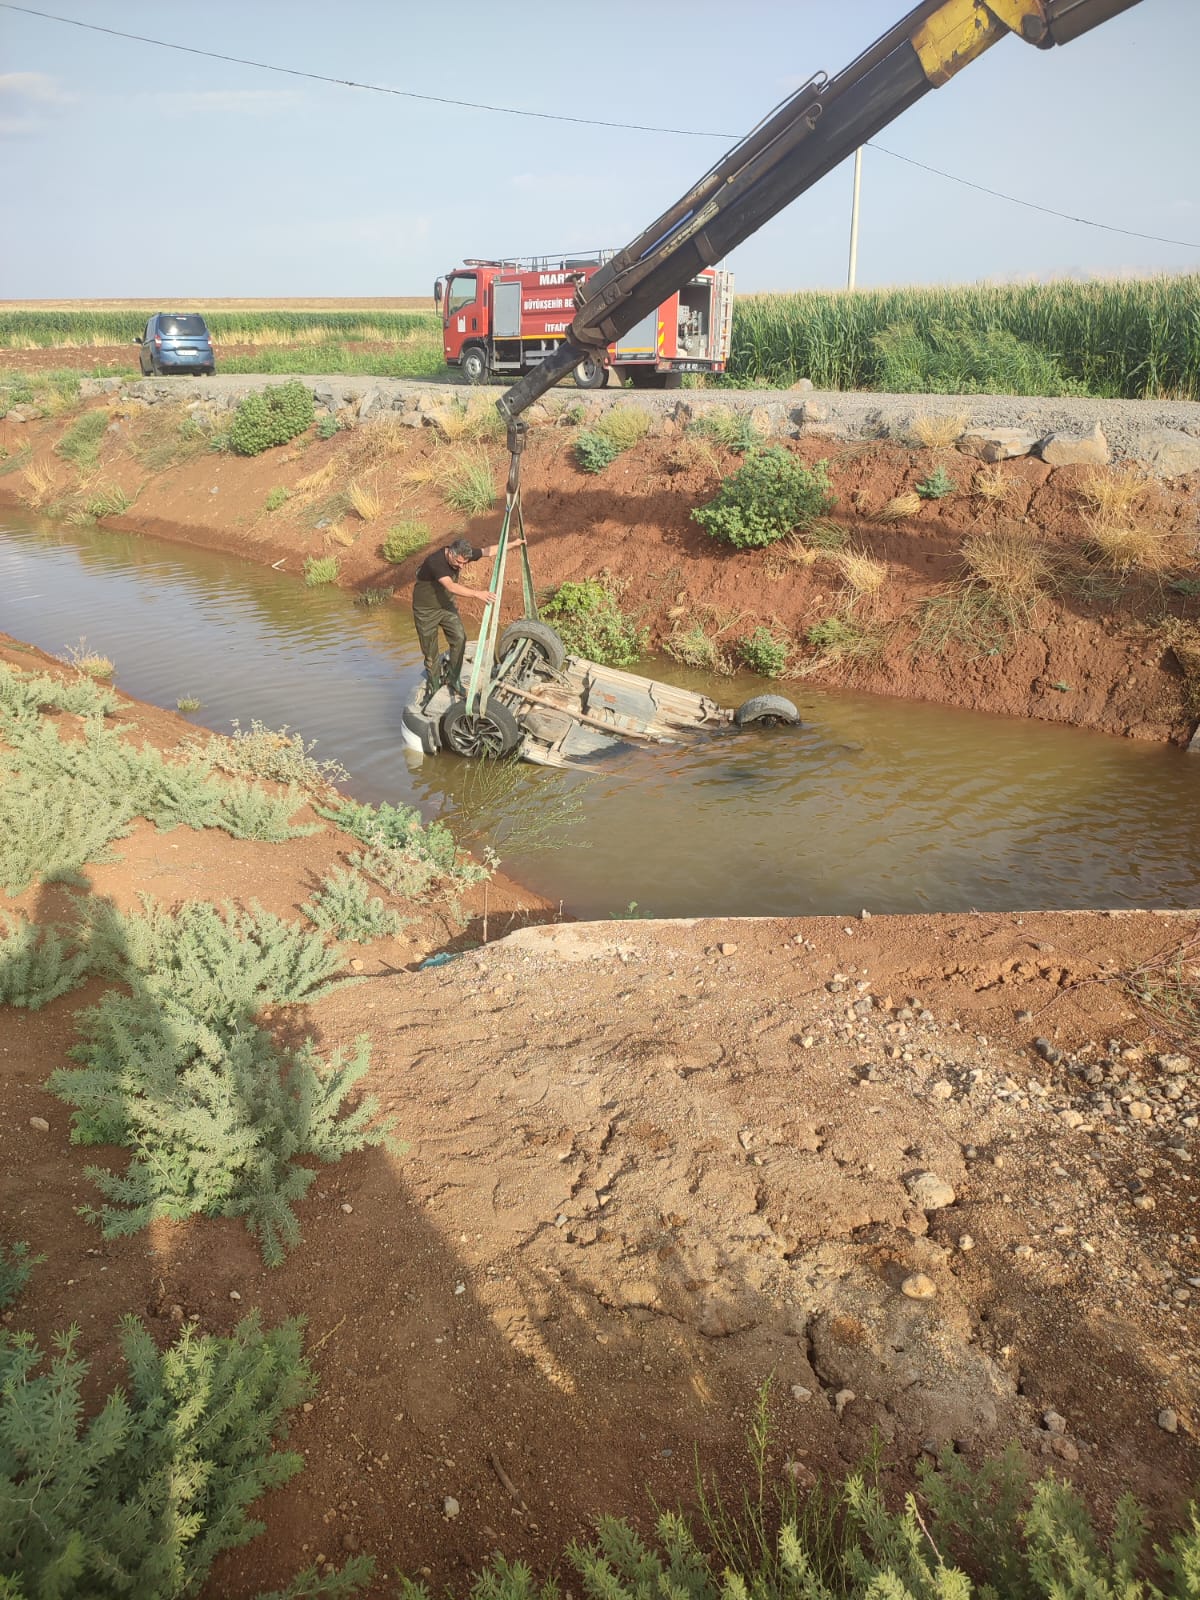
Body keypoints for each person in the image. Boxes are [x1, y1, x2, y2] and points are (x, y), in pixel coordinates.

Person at [411, 534, 524, 702]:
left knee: (460, 638)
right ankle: (434, 685)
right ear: (450, 553)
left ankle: (453, 679)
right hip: (426, 611)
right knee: (430, 651)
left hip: (446, 607)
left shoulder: (462, 554)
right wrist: (477, 594)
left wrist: (513, 544)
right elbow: (451, 586)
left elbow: (488, 551)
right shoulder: (435, 562)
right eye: (459, 563)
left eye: (465, 563)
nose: (462, 567)